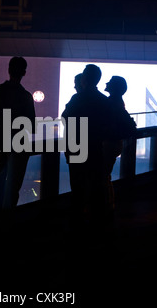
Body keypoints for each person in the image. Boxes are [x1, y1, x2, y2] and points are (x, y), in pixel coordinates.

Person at [0, 56, 36, 223]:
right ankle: (7, 219)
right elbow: (31, 126)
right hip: (19, 145)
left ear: (9, 69)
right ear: (24, 73)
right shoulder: (26, 96)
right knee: (13, 183)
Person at [62, 65, 113, 228]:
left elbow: (65, 117)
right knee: (96, 187)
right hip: (96, 150)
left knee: (77, 189)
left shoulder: (77, 99)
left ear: (85, 78)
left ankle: (77, 224)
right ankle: (96, 224)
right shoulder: (104, 101)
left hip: (77, 149)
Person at [103, 76, 136, 209]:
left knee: (102, 176)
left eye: (109, 82)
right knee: (105, 176)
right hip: (114, 143)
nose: (106, 83)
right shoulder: (117, 103)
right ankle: (109, 205)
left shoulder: (111, 103)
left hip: (108, 143)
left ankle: (107, 205)